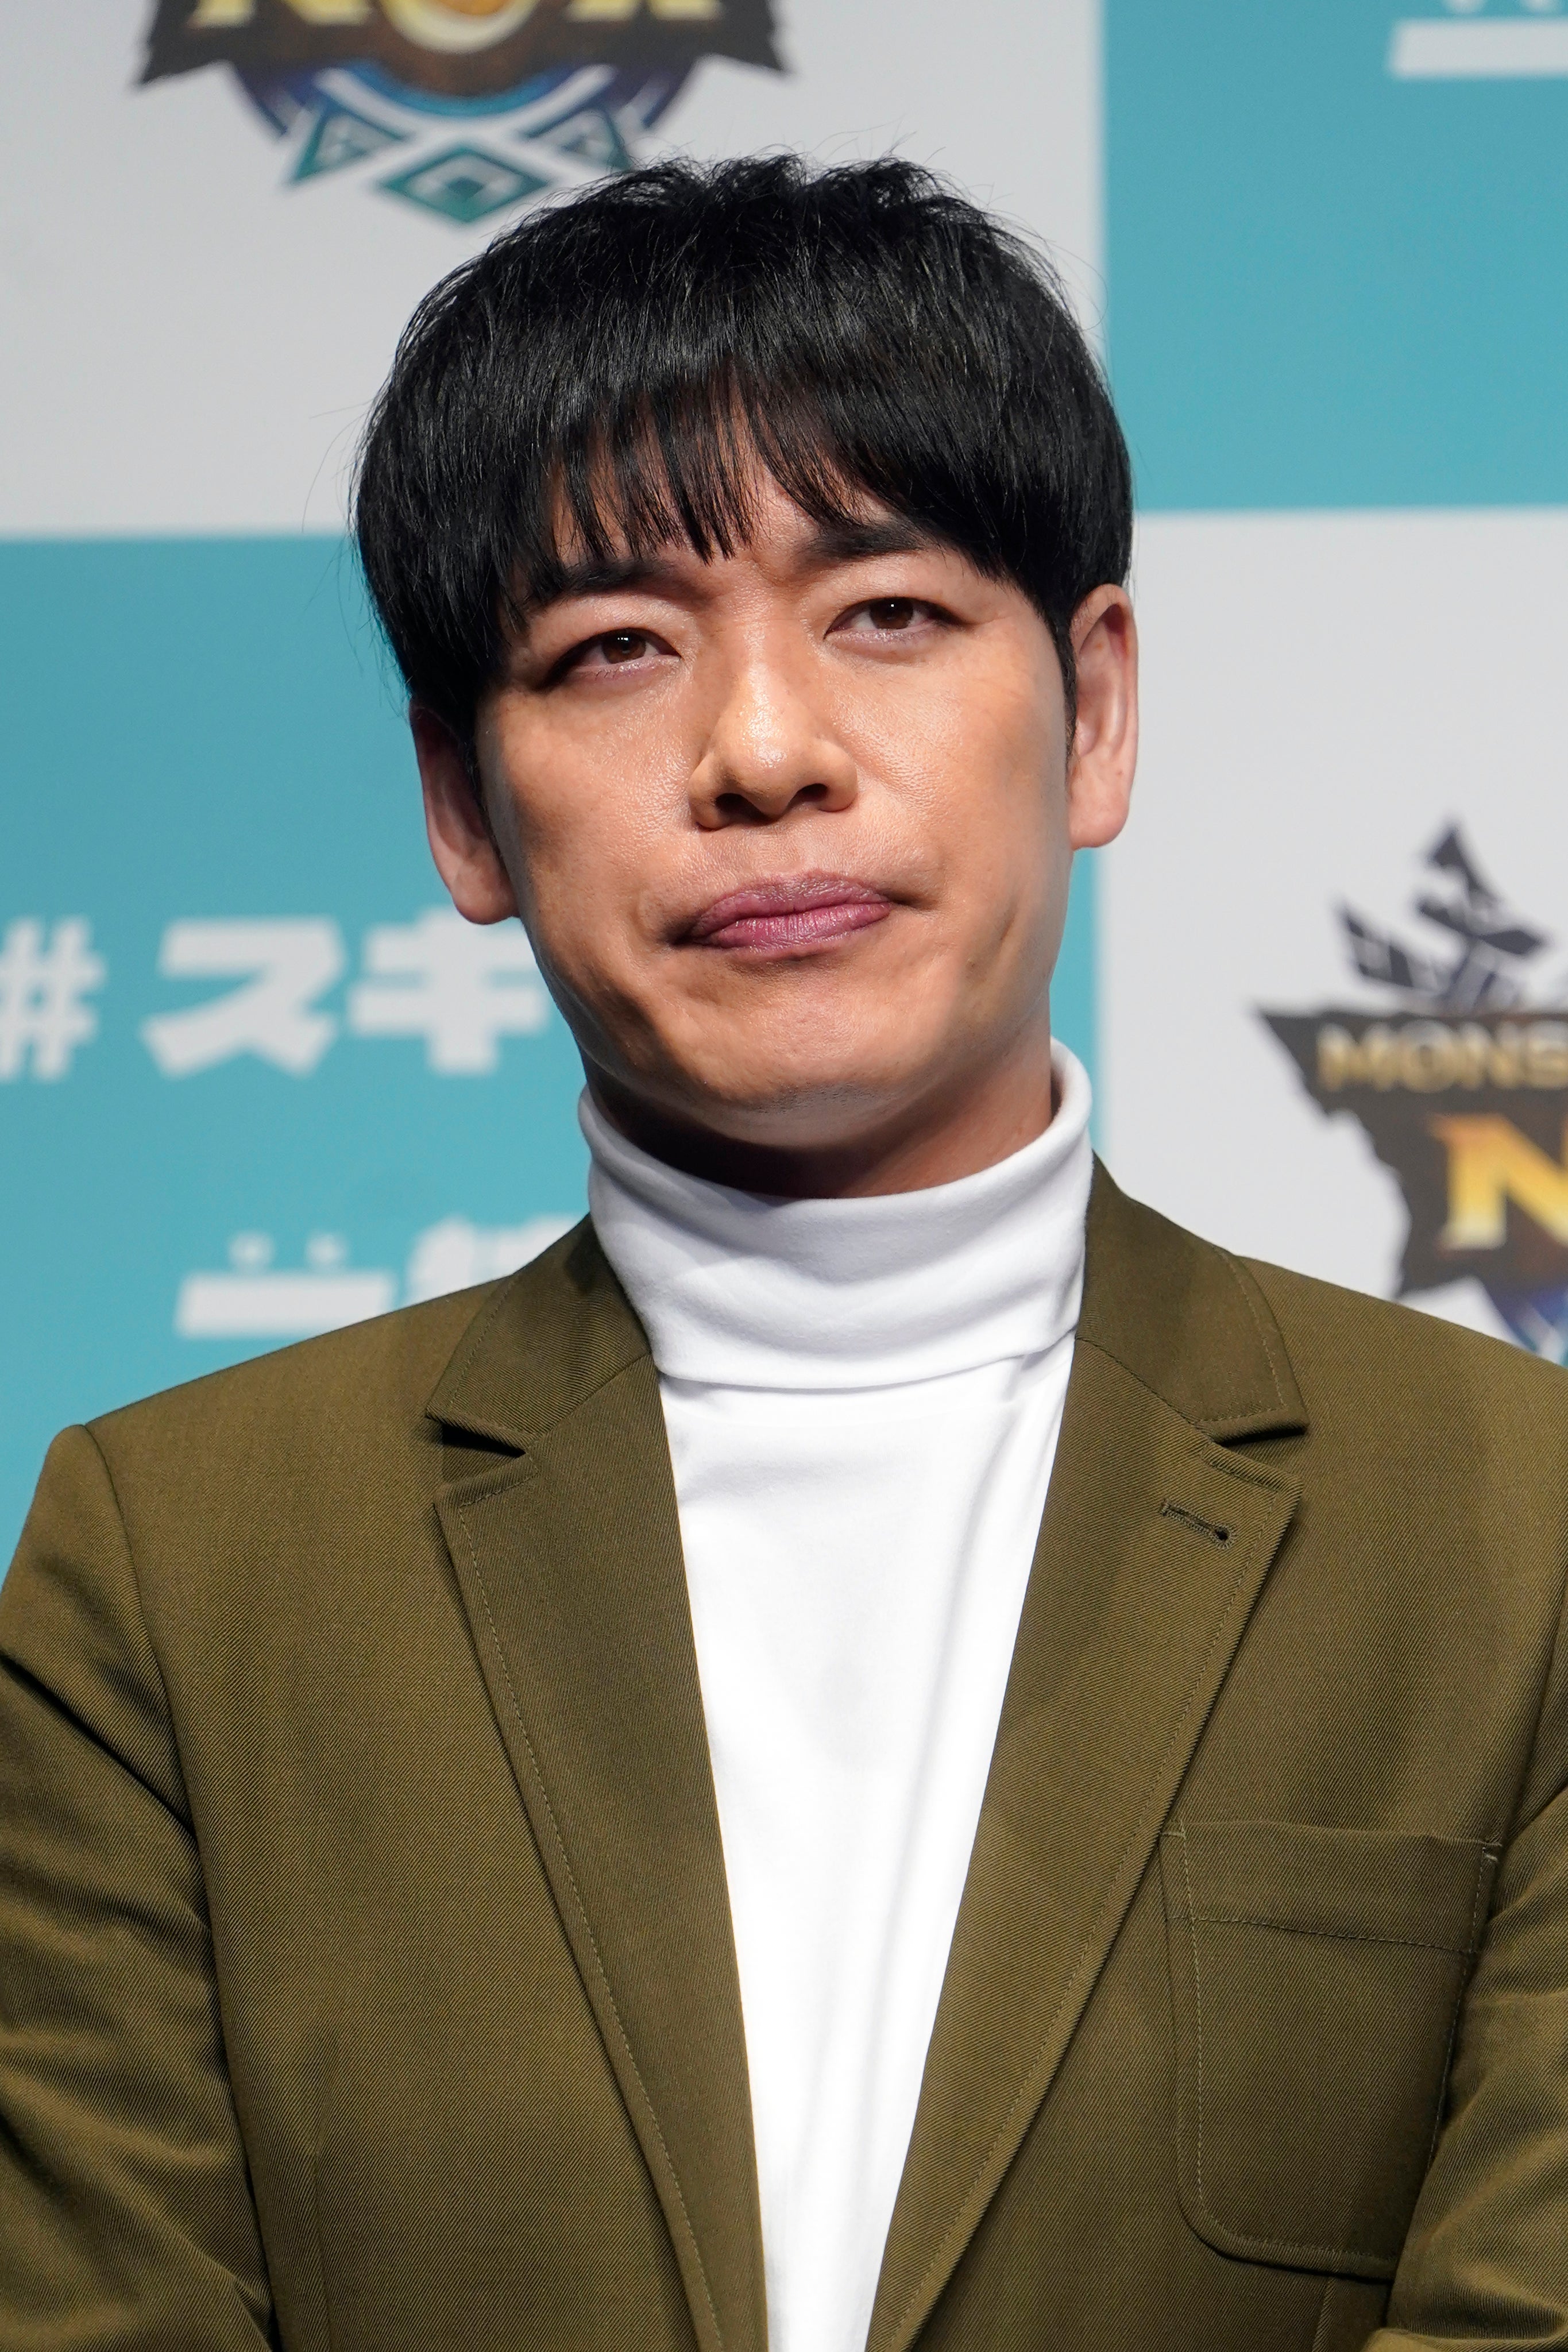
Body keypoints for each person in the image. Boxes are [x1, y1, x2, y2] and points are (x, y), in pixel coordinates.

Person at [2, 155, 1567, 2352]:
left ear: (1095, 708)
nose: (760, 751)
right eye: (614, 650)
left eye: (886, 614)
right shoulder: (174, 1568)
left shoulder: (1515, 1527)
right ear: (461, 803)